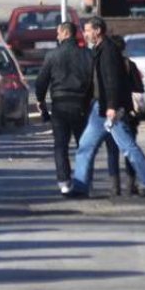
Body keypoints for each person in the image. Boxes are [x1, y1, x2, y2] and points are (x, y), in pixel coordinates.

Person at [70, 16, 145, 198]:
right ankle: (80, 186)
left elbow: (112, 81)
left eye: (87, 31)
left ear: (97, 31)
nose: (85, 34)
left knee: (128, 147)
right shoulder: (99, 50)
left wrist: (112, 106)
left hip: (110, 109)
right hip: (99, 108)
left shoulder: (108, 51)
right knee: (85, 147)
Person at [35, 22, 92, 196]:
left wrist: (40, 100)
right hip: (81, 104)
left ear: (66, 33)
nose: (56, 36)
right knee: (84, 145)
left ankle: (65, 182)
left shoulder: (52, 55)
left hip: (60, 105)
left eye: (58, 33)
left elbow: (41, 81)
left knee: (61, 146)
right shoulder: (87, 54)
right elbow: (92, 79)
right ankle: (84, 181)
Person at [102, 35, 145, 196]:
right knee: (130, 148)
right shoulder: (130, 65)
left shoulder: (105, 65)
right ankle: (131, 184)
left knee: (112, 150)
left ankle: (115, 186)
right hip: (129, 112)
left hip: (110, 111)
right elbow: (139, 88)